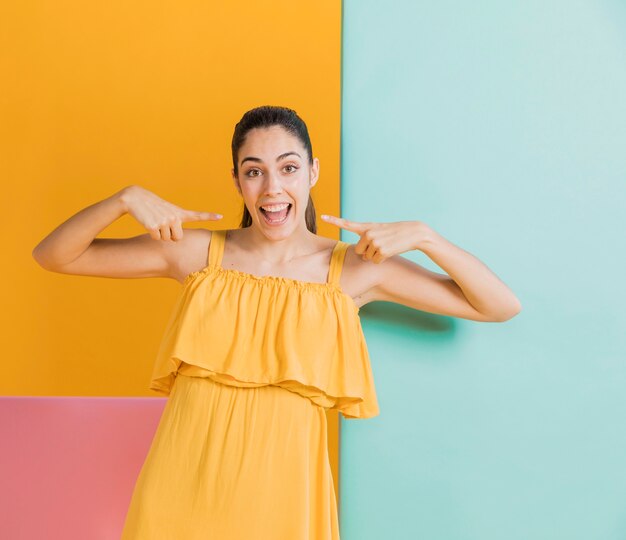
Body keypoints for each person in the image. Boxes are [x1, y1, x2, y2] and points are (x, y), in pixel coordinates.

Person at [32, 105, 522, 539]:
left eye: (288, 168)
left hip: (285, 506)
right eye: (254, 172)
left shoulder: (352, 270)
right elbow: (55, 256)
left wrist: (425, 237)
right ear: (237, 180)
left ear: (312, 173)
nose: (272, 189)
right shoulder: (198, 254)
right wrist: (122, 200)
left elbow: (498, 305)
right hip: (179, 497)